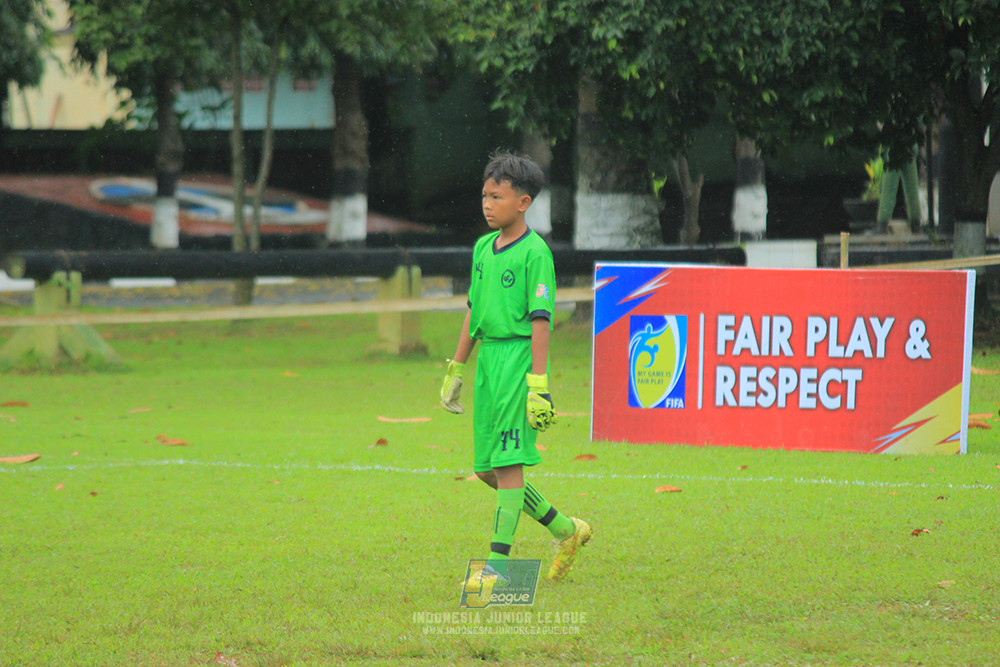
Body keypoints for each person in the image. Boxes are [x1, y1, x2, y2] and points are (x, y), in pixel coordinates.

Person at [440, 150, 592, 581]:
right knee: (486, 469)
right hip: (489, 361)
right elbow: (474, 309)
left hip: (517, 361)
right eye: (484, 196)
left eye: (497, 197)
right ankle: (567, 529)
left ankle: (497, 569)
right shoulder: (483, 248)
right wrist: (457, 368)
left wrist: (537, 384)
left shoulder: (536, 254)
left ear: (523, 203)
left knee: (508, 468)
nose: (487, 204)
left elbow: (540, 320)